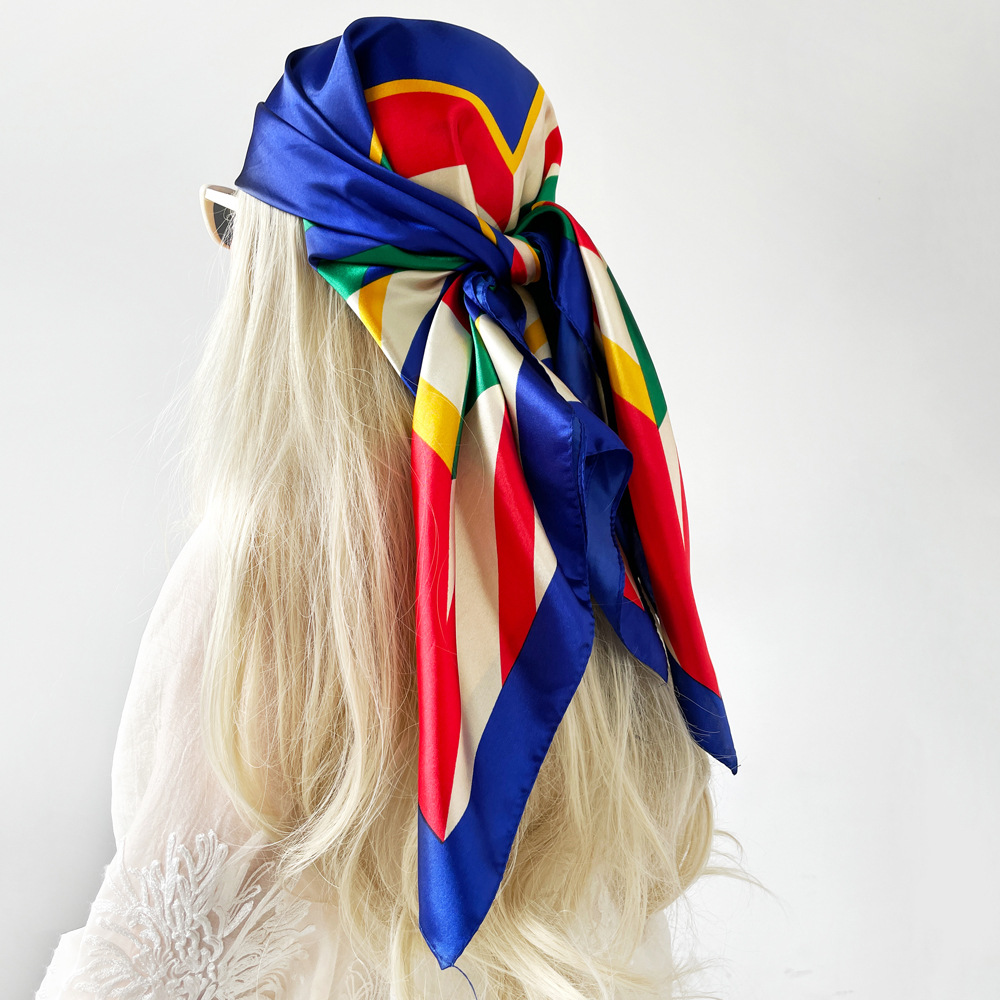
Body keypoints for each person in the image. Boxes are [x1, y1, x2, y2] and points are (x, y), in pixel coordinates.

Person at [36, 16, 736, 1000]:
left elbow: (141, 976)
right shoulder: (588, 544)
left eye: (241, 229)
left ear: (297, 281)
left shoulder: (264, 576)